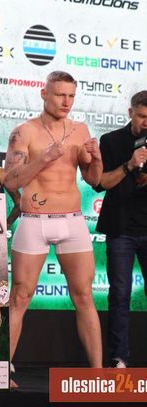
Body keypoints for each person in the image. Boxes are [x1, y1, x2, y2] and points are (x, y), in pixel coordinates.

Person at [4, 71, 103, 385]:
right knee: (20, 296)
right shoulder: (25, 132)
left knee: (84, 295)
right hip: (35, 220)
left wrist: (96, 159)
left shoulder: (80, 130)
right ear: (44, 93)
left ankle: (98, 376)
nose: (66, 102)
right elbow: (11, 181)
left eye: (71, 96)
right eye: (60, 94)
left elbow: (93, 179)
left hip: (73, 220)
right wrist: (44, 159)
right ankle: (1, 370)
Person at [95, 90, 147, 368]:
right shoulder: (111, 141)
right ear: (130, 113)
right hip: (121, 229)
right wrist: (130, 164)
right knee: (119, 295)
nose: (146, 122)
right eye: (142, 116)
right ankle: (119, 358)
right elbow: (101, 183)